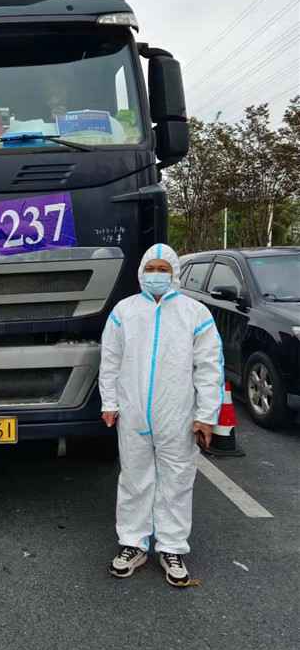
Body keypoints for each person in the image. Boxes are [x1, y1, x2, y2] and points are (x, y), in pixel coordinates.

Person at [98, 243, 223, 586]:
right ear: (141, 272)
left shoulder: (194, 313)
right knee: (134, 479)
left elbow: (209, 367)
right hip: (134, 413)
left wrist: (206, 414)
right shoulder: (124, 311)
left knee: (177, 481)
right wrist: (109, 403)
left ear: (174, 273)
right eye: (150, 268)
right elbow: (110, 360)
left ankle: (171, 547)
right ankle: (133, 543)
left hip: (177, 414)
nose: (156, 275)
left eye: (162, 269)